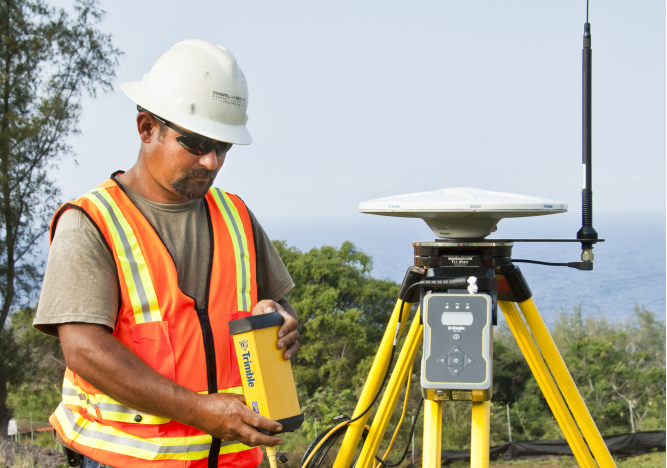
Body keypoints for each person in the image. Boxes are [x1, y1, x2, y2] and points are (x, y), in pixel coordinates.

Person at [33, 40, 299, 468]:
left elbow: (276, 302)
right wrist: (200, 412)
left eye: (223, 147)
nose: (211, 161)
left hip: (232, 459)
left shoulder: (236, 215)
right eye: (194, 143)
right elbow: (83, 347)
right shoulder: (92, 221)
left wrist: (283, 320)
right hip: (124, 459)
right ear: (146, 128)